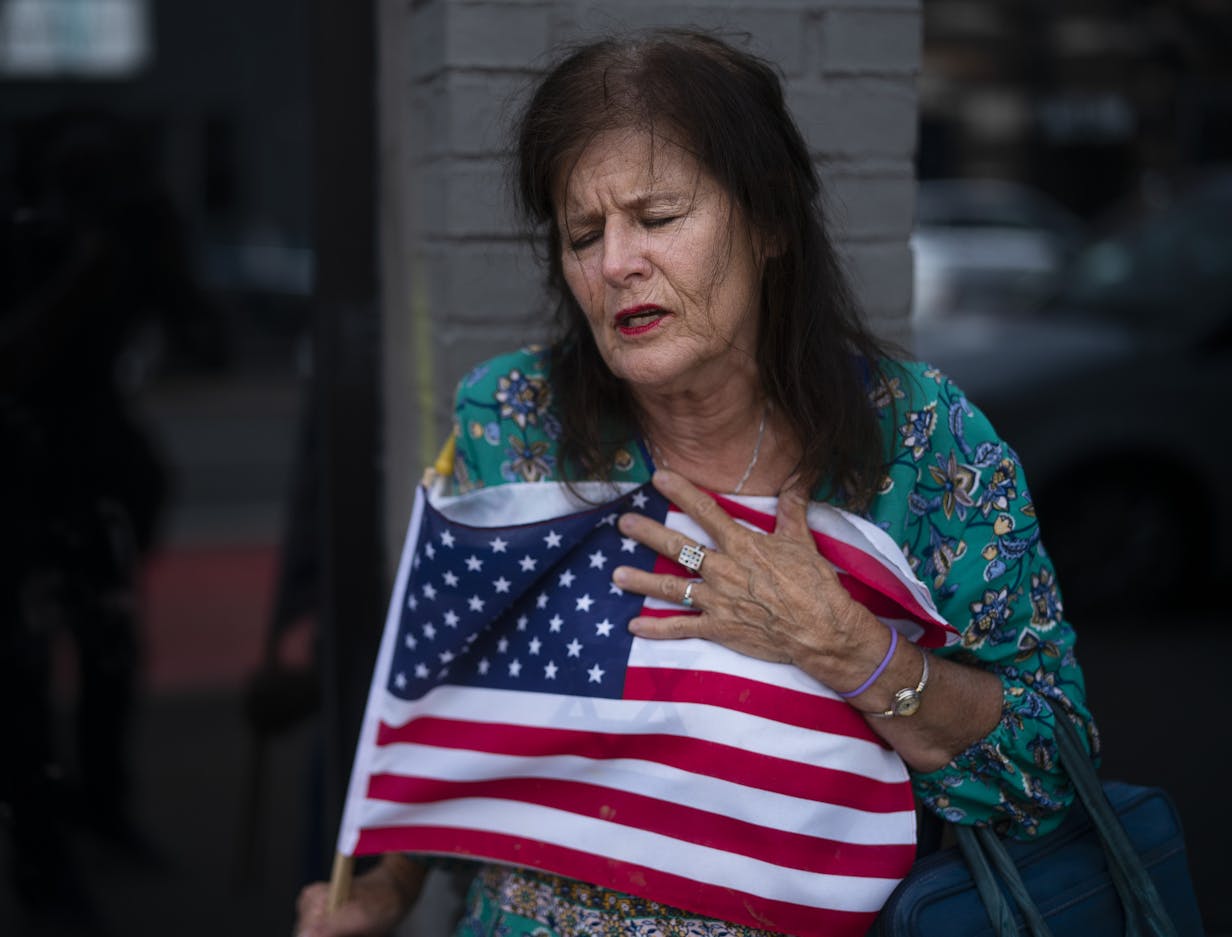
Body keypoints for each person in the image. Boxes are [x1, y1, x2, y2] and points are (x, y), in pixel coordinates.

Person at [295, 29, 1093, 937]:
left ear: (770, 223)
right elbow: (461, 713)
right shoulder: (513, 421)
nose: (615, 264)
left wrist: (850, 648)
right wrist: (388, 892)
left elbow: (1053, 768)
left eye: (660, 216)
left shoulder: (921, 441)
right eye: (583, 233)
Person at [0, 108, 225, 924]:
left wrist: (163, 259)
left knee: (111, 646)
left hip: (82, 460)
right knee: (15, 669)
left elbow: (208, 340)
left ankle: (102, 806)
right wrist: (73, 288)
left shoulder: (128, 235)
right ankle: (39, 859)